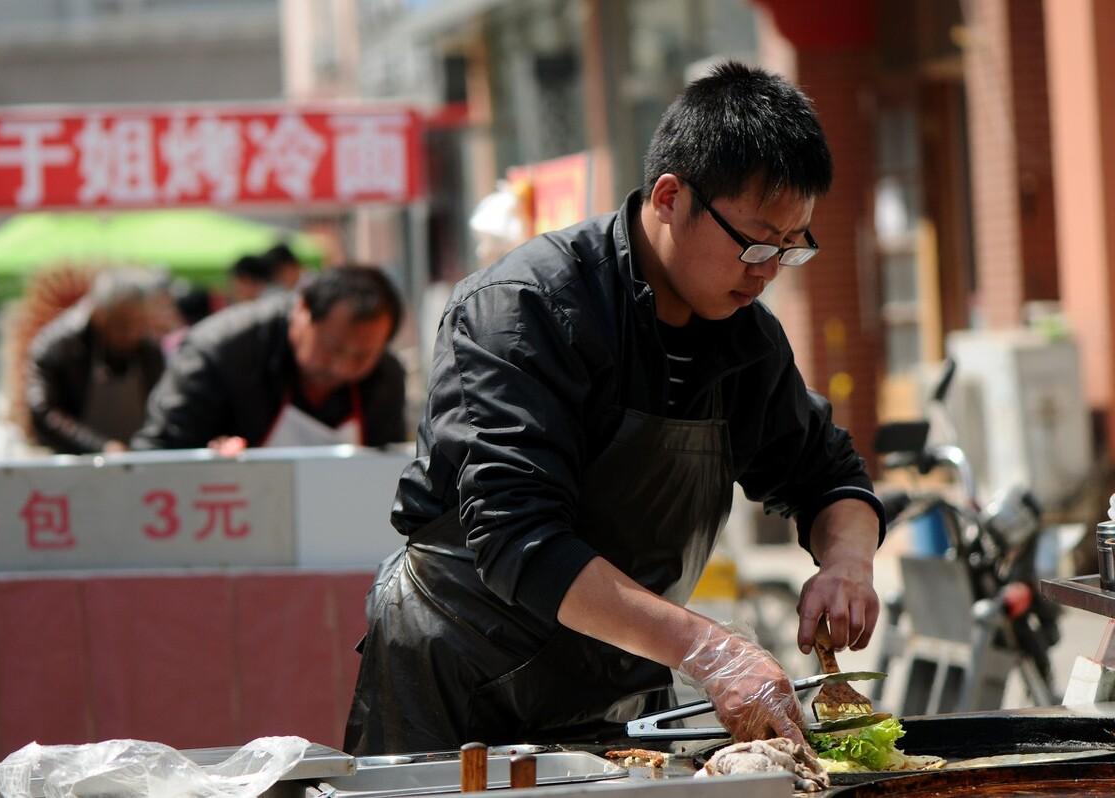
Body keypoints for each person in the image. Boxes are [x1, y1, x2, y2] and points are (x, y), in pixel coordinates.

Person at [345, 63, 887, 755]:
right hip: (460, 678)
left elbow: (826, 471)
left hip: (618, 673)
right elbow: (520, 537)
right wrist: (709, 651)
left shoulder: (743, 333)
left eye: (791, 248)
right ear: (669, 197)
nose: (768, 270)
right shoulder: (524, 307)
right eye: (755, 242)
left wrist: (848, 565)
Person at [132, 264, 407, 451]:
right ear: (302, 311)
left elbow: (387, 466)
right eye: (332, 349)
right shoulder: (219, 352)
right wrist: (207, 459)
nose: (341, 367)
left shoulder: (386, 376)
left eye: (362, 356)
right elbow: (157, 455)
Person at [26, 270, 164, 454]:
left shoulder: (148, 350)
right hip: (74, 464)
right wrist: (99, 447)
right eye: (122, 324)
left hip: (137, 462)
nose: (131, 333)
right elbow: (44, 413)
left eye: (139, 324)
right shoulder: (59, 347)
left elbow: (163, 407)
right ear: (99, 314)